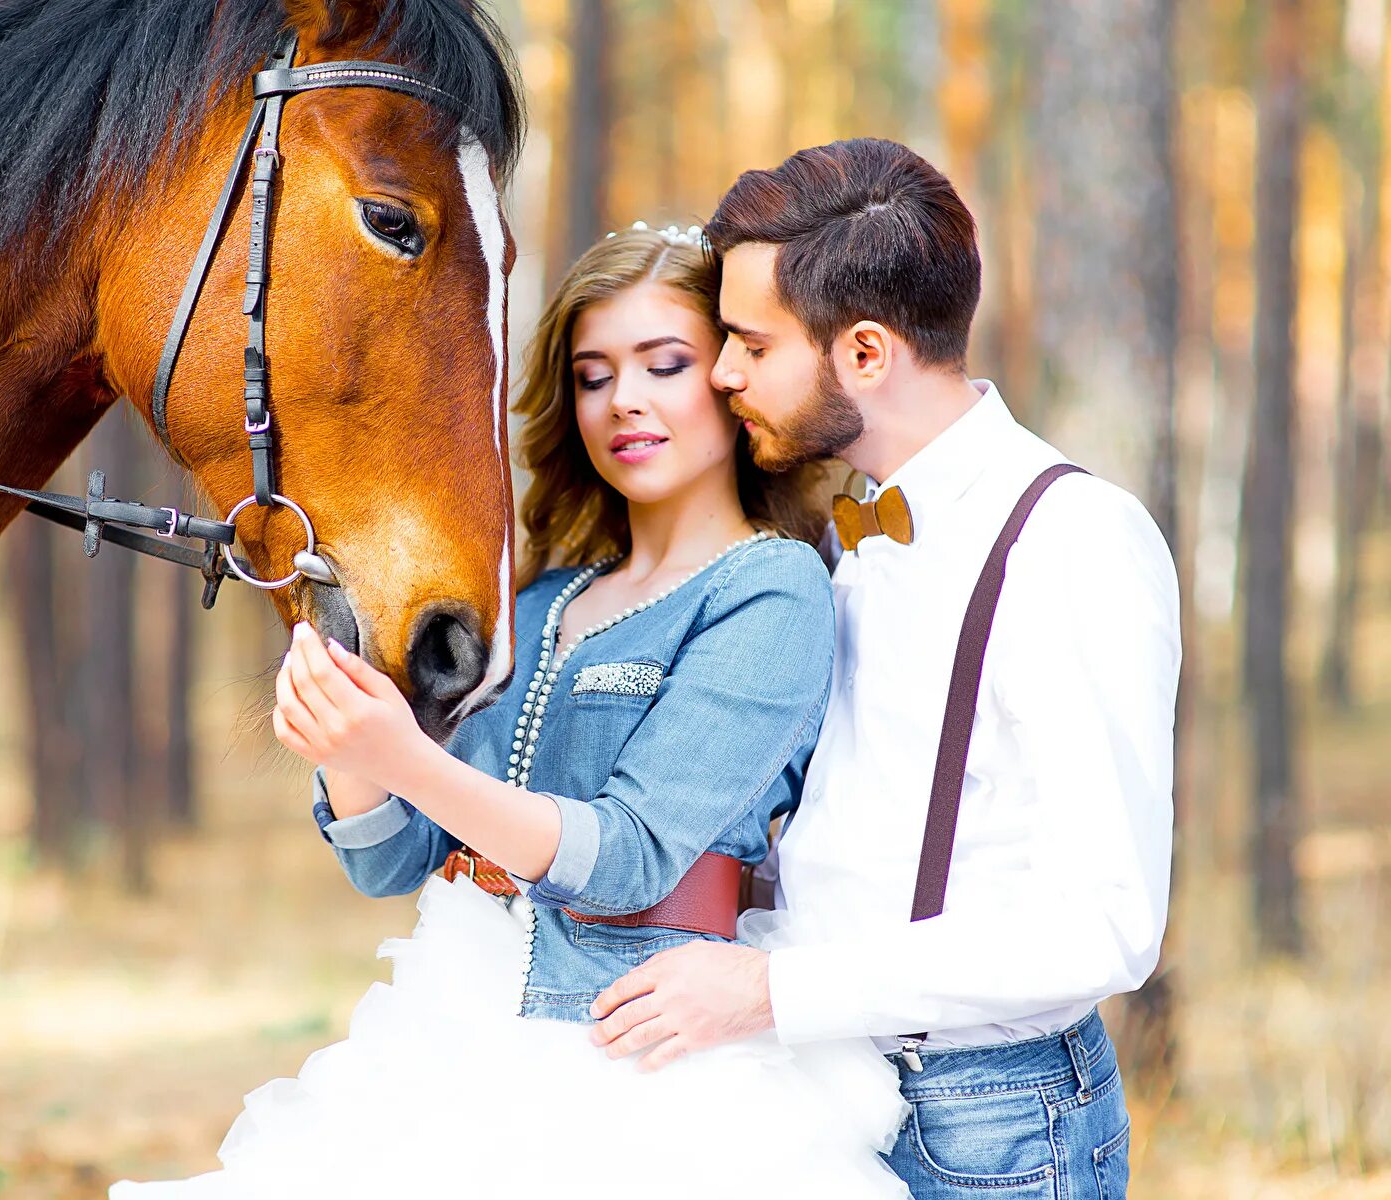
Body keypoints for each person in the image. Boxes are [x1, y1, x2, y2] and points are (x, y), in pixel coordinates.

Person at [110, 225, 911, 1199]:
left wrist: (404, 758)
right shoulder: (541, 601)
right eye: (592, 374)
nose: (624, 400)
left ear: (731, 381)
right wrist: (343, 737)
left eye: (665, 365)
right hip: (448, 1022)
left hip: (634, 1056)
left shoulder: (768, 590)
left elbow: (628, 858)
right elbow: (388, 862)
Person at [589, 139, 1181, 1199]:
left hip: (983, 1125)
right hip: (814, 1098)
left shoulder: (1071, 541)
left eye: (749, 344)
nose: (722, 374)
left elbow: (1101, 922)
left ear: (864, 353)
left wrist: (776, 991)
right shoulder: (821, 540)